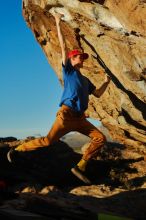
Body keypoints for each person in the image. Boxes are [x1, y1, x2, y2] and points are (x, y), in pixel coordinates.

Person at [7, 13, 110, 184]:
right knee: (47, 141)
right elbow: (63, 48)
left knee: (100, 138)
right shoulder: (68, 72)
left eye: (83, 58)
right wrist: (57, 21)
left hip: (80, 118)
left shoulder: (85, 80)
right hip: (66, 116)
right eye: (79, 56)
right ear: (72, 59)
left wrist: (107, 82)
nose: (82, 59)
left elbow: (98, 94)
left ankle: (80, 167)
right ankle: (18, 149)